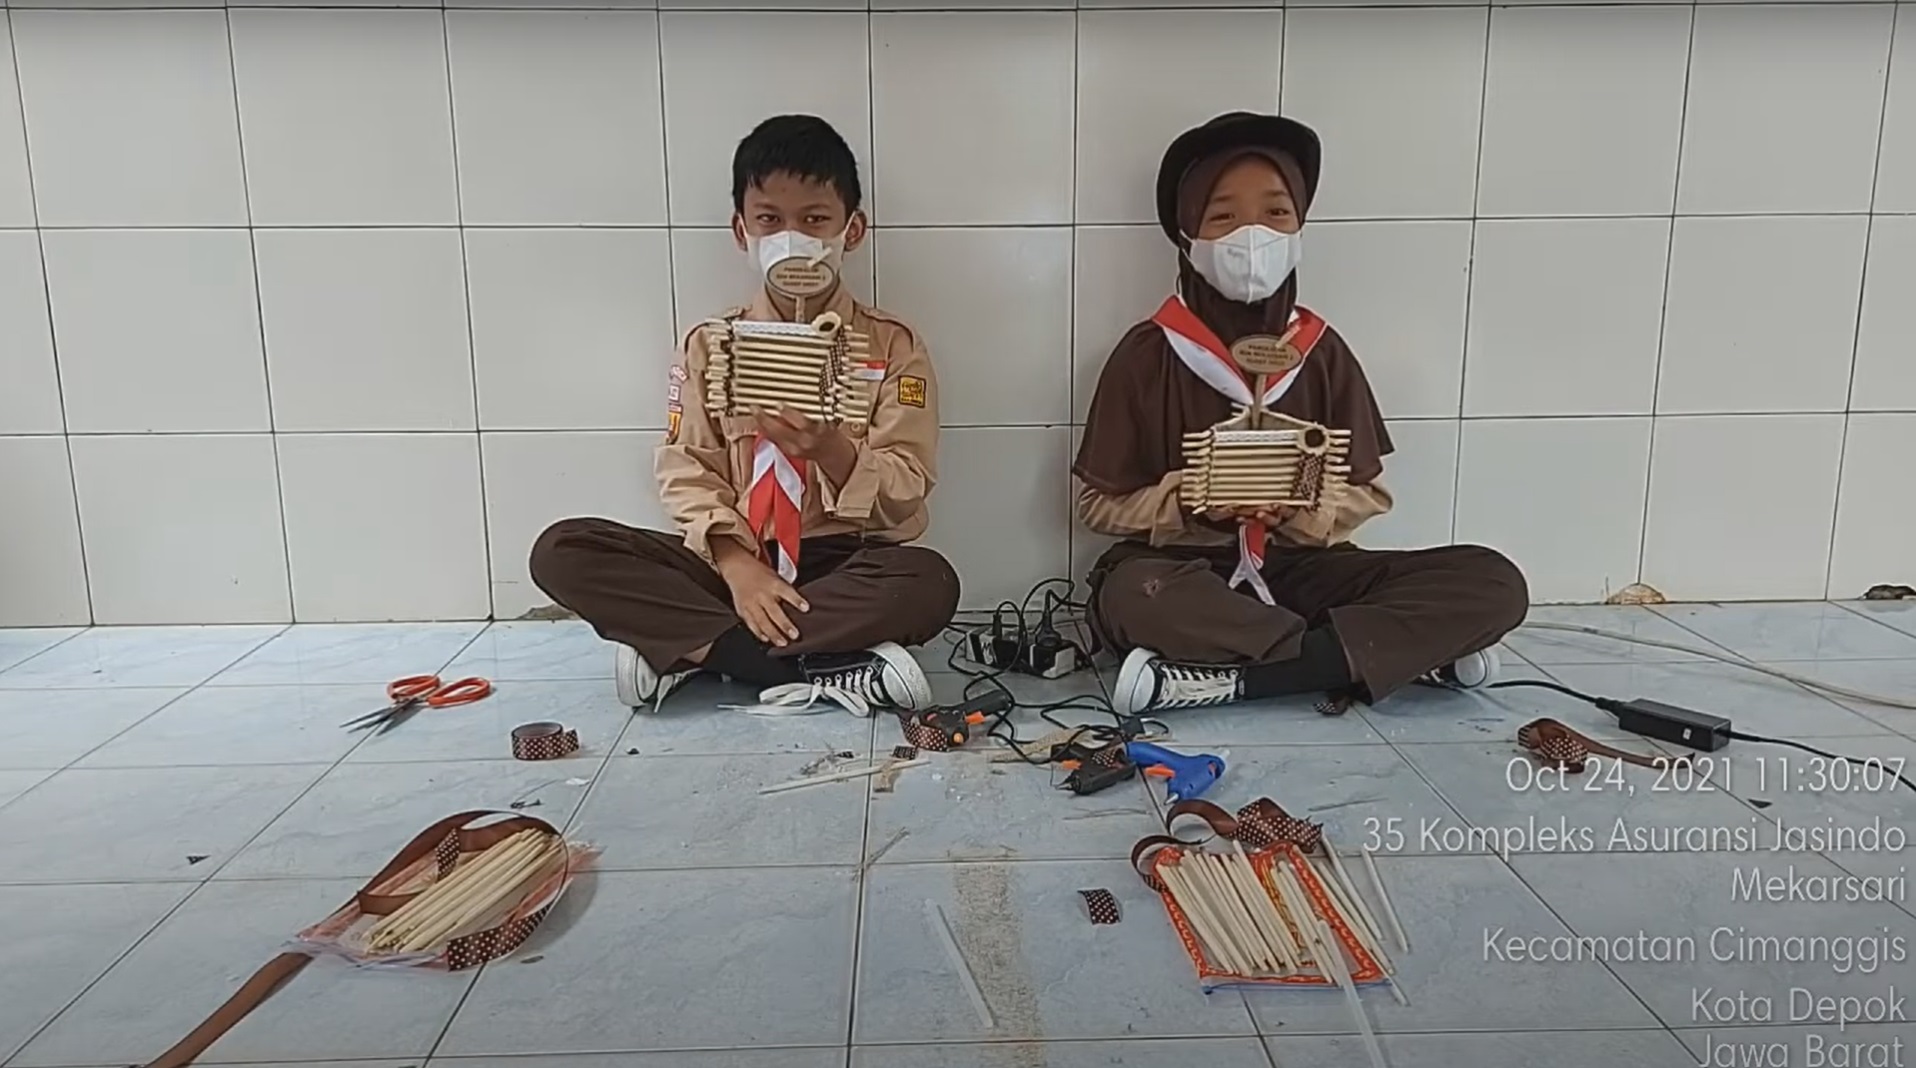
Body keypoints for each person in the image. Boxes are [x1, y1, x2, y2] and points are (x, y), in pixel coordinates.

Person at [1073, 112, 1528, 716]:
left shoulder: (1322, 351)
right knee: (1134, 594)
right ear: (1187, 236)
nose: (1252, 236)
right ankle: (1375, 654)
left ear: (1299, 227)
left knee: (1493, 580)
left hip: (1309, 569)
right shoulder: (1147, 353)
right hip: (1185, 569)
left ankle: (1235, 676)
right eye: (1223, 217)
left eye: (1276, 213)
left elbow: (1370, 492)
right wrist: (1187, 500)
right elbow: (1095, 505)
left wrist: (1303, 511)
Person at [530, 115, 958, 712]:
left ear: (852, 229)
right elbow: (686, 467)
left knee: (928, 582)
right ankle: (826, 665)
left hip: (845, 561)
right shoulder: (710, 345)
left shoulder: (893, 347)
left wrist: (832, 452)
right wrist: (736, 565)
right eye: (770, 220)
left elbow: (908, 485)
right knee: (562, 549)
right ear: (742, 230)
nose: (792, 238)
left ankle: (687, 648)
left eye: (815, 220)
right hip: (732, 562)